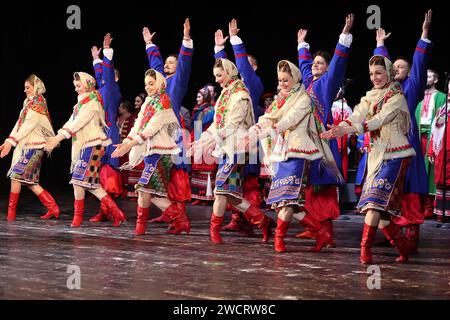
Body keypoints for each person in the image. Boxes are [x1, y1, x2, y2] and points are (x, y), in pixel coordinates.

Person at [322, 55, 415, 264]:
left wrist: (350, 129)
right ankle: (402, 246)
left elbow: (377, 121)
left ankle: (365, 249)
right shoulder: (370, 96)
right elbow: (359, 114)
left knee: (373, 205)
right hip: (376, 155)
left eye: (379, 73)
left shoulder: (396, 97)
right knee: (378, 212)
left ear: (389, 73)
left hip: (395, 155)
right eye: (372, 74)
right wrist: (342, 127)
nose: (375, 77)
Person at [247, 60, 334, 253]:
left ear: (294, 78)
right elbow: (268, 116)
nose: (282, 84)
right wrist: (255, 129)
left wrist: (271, 129)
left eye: (286, 80)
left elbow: (289, 119)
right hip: (282, 154)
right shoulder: (280, 99)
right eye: (280, 80)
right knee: (286, 204)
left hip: (298, 154)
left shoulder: (303, 99)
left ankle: (279, 238)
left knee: (286, 201)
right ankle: (320, 232)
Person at [188, 58, 272, 244]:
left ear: (229, 72)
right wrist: (200, 140)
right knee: (231, 195)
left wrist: (208, 142)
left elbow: (232, 126)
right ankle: (263, 221)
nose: (217, 80)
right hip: (226, 149)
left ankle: (214, 231)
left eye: (219, 75)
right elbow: (218, 124)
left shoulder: (240, 94)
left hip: (237, 148)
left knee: (220, 191)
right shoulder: (226, 94)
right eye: (215, 76)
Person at [374, 10, 433, 254]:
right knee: (384, 185)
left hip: (405, 141)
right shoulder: (386, 90)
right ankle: (391, 233)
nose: (397, 69)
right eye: (394, 66)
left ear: (408, 72)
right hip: (385, 142)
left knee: (407, 188)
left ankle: (411, 233)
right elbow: (380, 66)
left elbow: (419, 64)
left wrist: (424, 34)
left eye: (401, 67)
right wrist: (379, 45)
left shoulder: (412, 86)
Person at [295, 14, 354, 244]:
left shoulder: (328, 82)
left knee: (322, 184)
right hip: (306, 140)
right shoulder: (308, 82)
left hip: (321, 139)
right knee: (310, 184)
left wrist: (344, 36)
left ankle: (326, 229)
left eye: (320, 63)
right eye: (315, 63)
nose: (315, 65)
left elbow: (339, 63)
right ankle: (313, 227)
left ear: (327, 68)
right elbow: (304, 64)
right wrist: (302, 46)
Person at [112, 69, 190, 236]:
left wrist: (130, 144)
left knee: (145, 189)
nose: (148, 87)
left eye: (151, 84)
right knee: (150, 193)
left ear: (160, 83)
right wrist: (126, 142)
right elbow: (138, 125)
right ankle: (179, 221)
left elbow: (151, 129)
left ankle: (143, 227)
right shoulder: (149, 101)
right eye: (146, 84)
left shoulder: (164, 102)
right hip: (151, 153)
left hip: (161, 153)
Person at [44, 72, 126, 228]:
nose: (76, 89)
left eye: (79, 86)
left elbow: (78, 124)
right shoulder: (80, 103)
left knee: (78, 181)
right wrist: (57, 136)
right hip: (86, 146)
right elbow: (71, 122)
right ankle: (117, 212)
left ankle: (78, 217)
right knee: (90, 184)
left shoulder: (93, 103)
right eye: (75, 86)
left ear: (88, 85)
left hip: (93, 145)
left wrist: (57, 139)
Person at [214, 19, 264, 234]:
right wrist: (219, 51)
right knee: (230, 188)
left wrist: (235, 41)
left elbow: (237, 68)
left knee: (249, 184)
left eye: (245, 65)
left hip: (245, 141)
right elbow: (224, 71)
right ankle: (247, 220)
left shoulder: (251, 84)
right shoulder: (230, 89)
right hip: (229, 142)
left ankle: (253, 221)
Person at [143, 18, 193, 224]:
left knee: (177, 173)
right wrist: (149, 45)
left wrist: (186, 39)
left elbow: (185, 63)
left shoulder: (177, 82)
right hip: (157, 133)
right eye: (167, 63)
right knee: (163, 176)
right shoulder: (161, 85)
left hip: (173, 133)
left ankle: (180, 214)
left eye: (171, 62)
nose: (166, 65)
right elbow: (155, 67)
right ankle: (169, 214)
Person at [0, 75, 60, 221]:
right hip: (26, 145)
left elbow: (29, 126)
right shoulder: (28, 103)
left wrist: (11, 142)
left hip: (34, 146)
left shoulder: (38, 103)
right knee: (29, 182)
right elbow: (19, 123)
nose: (25, 91)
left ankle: (11, 214)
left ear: (36, 88)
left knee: (16, 177)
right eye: (25, 88)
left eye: (28, 88)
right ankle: (53, 207)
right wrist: (9, 140)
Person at [90, 33, 124, 222]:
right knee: (99, 174)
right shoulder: (102, 87)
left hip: (109, 134)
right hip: (99, 133)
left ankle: (111, 211)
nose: (102, 75)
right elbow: (101, 75)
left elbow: (107, 74)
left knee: (106, 174)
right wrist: (96, 60)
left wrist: (106, 54)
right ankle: (105, 211)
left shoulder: (111, 88)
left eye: (107, 74)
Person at [415, 69, 446, 217]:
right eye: (425, 76)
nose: (426, 79)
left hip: (434, 138)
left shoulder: (442, 97)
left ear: (436, 79)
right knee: (419, 168)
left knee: (433, 170)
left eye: (429, 76)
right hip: (419, 137)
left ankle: (430, 205)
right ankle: (419, 204)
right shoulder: (418, 97)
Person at [190, 86, 216, 205]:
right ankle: (197, 196)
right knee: (197, 169)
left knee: (207, 169)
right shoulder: (198, 109)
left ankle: (207, 196)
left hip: (208, 141)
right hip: (198, 140)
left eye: (199, 96)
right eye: (196, 96)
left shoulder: (211, 110)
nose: (197, 99)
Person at [428, 81, 450, 222]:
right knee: (441, 181)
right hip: (442, 150)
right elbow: (434, 131)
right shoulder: (443, 108)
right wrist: (431, 151)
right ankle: (442, 212)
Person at [116, 100, 139, 198]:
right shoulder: (120, 118)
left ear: (125, 108)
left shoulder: (132, 118)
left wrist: (128, 145)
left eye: (121, 107)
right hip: (122, 143)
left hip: (130, 144)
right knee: (122, 167)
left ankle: (131, 191)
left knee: (128, 167)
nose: (119, 109)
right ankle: (123, 189)